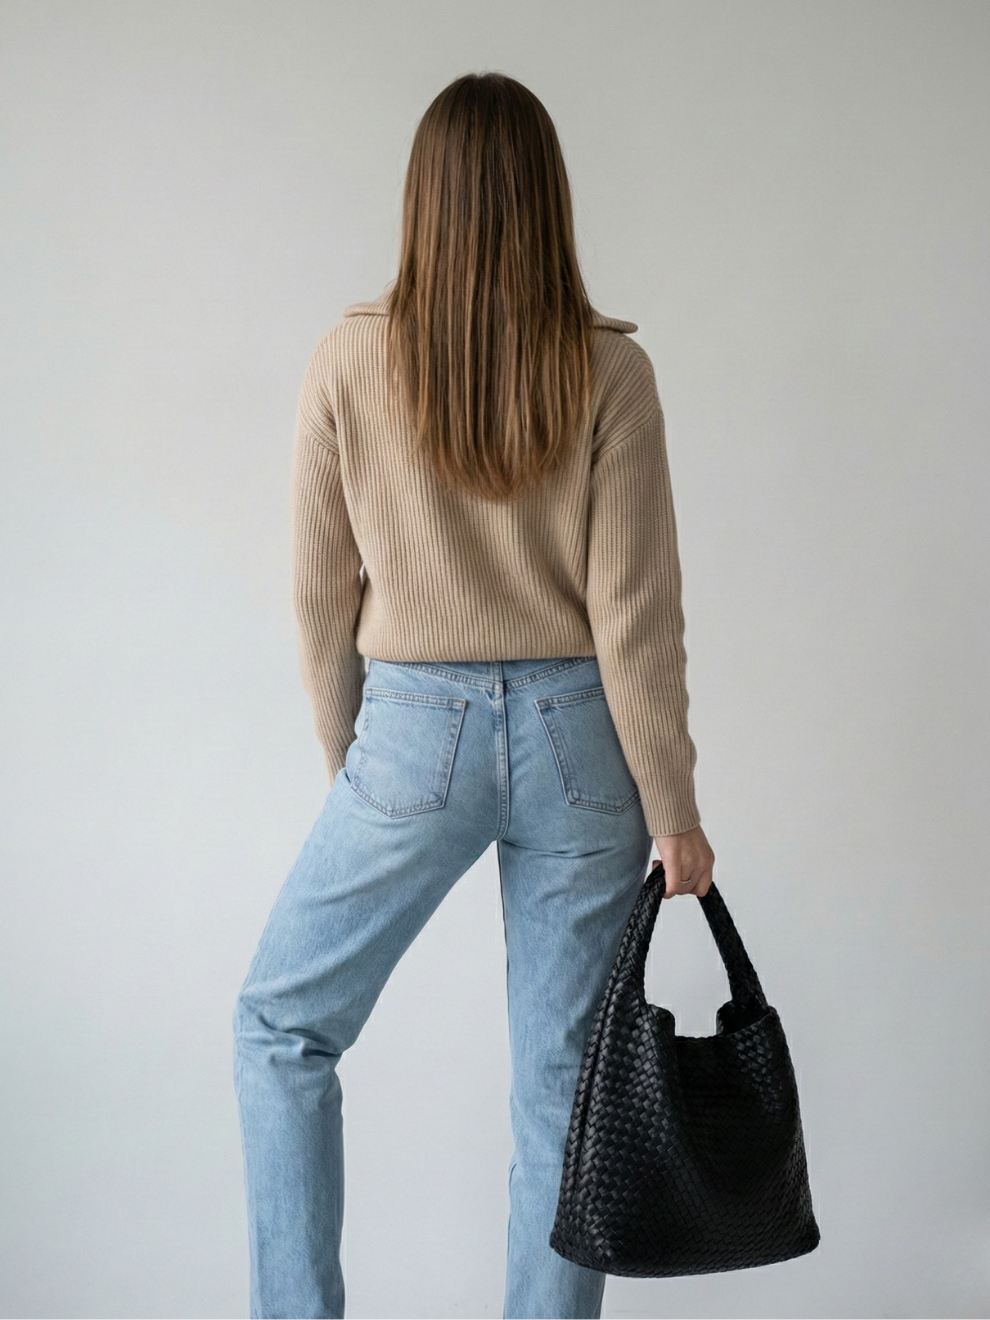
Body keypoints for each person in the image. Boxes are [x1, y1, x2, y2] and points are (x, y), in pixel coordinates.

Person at [232, 71, 715, 1320]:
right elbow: (633, 614)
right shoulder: (611, 371)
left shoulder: (347, 359)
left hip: (412, 733)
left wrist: (358, 758)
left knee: (282, 1028)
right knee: (564, 1092)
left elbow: (318, 596)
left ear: (422, 199)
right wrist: (674, 808)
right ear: (549, 199)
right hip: (583, 746)